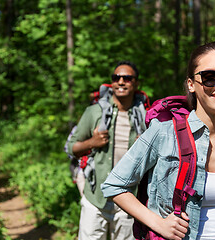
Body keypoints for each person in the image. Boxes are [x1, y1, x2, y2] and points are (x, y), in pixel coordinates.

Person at [101, 42, 215, 240]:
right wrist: (159, 224)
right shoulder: (165, 133)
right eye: (210, 77)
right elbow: (115, 185)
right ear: (191, 84)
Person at [66, 60, 147, 240]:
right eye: (116, 77)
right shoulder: (94, 112)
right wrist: (91, 142)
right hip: (95, 198)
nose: (121, 81)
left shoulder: (145, 116)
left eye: (127, 78)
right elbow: (71, 147)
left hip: (129, 200)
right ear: (111, 82)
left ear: (136, 83)